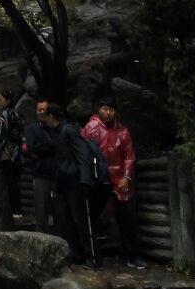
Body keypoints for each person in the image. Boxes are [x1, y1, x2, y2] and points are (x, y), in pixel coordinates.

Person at [83, 95, 145, 269]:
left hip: (119, 179)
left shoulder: (123, 131)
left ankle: (133, 255)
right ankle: (93, 257)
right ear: (99, 109)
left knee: (128, 219)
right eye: (105, 109)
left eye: (111, 110)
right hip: (98, 179)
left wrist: (127, 177)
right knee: (91, 217)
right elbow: (83, 153)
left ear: (116, 112)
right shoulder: (90, 128)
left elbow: (129, 156)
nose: (108, 113)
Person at [42, 103, 97, 268]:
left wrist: (85, 180)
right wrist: (56, 187)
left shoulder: (69, 131)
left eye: (46, 117)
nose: (45, 121)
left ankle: (92, 257)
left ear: (52, 117)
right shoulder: (57, 133)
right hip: (65, 182)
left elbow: (83, 154)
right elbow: (61, 161)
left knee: (80, 220)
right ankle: (76, 254)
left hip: (76, 182)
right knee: (66, 220)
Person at [0, 89, 24, 215]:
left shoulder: (4, 116)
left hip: (6, 154)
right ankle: (17, 210)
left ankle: (12, 211)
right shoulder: (16, 114)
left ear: (7, 101)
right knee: (14, 182)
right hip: (16, 153)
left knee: (8, 182)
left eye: (0, 99)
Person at [23, 99, 57, 232]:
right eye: (39, 110)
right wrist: (51, 147)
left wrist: (43, 148)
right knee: (41, 211)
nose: (42, 112)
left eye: (44, 110)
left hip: (57, 174)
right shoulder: (32, 128)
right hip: (41, 173)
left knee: (58, 211)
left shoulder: (55, 128)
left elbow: (60, 145)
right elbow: (32, 147)